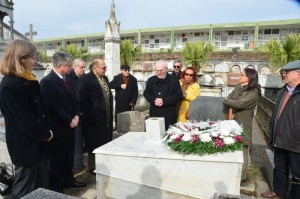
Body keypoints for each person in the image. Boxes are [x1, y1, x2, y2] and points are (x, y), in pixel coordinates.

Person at [0, 40, 53, 198]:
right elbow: (23, 120)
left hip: (39, 142)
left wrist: (47, 131)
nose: (36, 61)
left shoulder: (28, 80)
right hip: (25, 145)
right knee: (25, 187)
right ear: (21, 58)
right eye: (33, 57)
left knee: (41, 183)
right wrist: (45, 133)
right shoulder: (9, 85)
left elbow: (42, 110)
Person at [40, 52, 86, 193]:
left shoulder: (68, 79)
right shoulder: (47, 82)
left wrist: (77, 115)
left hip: (71, 126)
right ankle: (56, 188)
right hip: (58, 129)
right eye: (69, 65)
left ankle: (69, 180)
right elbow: (52, 106)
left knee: (68, 158)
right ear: (59, 66)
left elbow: (75, 100)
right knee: (57, 161)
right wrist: (69, 120)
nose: (71, 68)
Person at [261, 60, 300, 199]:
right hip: (279, 138)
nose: (284, 75)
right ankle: (278, 191)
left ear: (298, 74)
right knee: (280, 169)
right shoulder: (284, 90)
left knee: (297, 174)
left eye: (287, 72)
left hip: (296, 143)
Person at [223, 68, 261, 181]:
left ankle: (242, 178)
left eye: (242, 75)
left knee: (243, 150)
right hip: (233, 122)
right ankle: (232, 174)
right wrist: (231, 100)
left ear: (249, 77)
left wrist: (228, 101)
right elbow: (230, 97)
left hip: (244, 124)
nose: (239, 76)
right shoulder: (238, 87)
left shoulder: (254, 92)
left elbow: (240, 104)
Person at [77, 59, 113, 174]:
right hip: (92, 120)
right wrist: (88, 116)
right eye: (103, 67)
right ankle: (92, 168)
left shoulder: (105, 78)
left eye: (105, 67)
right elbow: (81, 100)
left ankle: (104, 164)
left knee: (105, 141)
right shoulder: (85, 79)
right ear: (95, 68)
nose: (105, 69)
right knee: (93, 144)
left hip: (105, 117)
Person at [144, 60, 183, 130]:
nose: (158, 73)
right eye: (157, 70)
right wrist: (153, 100)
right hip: (155, 113)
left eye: (161, 70)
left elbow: (179, 95)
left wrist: (164, 101)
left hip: (169, 113)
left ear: (166, 69)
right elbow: (146, 93)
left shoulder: (174, 80)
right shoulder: (151, 80)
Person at [67, 58, 86, 173]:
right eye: (81, 67)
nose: (83, 69)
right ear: (74, 67)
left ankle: (80, 165)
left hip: (84, 115)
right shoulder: (69, 79)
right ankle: (75, 168)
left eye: (84, 67)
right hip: (74, 116)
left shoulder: (84, 78)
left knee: (82, 142)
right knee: (75, 144)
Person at [109, 64, 138, 129]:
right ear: (122, 71)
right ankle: (118, 128)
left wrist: (133, 102)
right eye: (125, 70)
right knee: (118, 115)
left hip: (129, 102)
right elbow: (110, 85)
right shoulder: (117, 77)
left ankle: (127, 128)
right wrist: (120, 86)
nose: (127, 71)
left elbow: (135, 92)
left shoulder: (133, 79)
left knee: (127, 116)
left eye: (128, 70)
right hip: (119, 101)